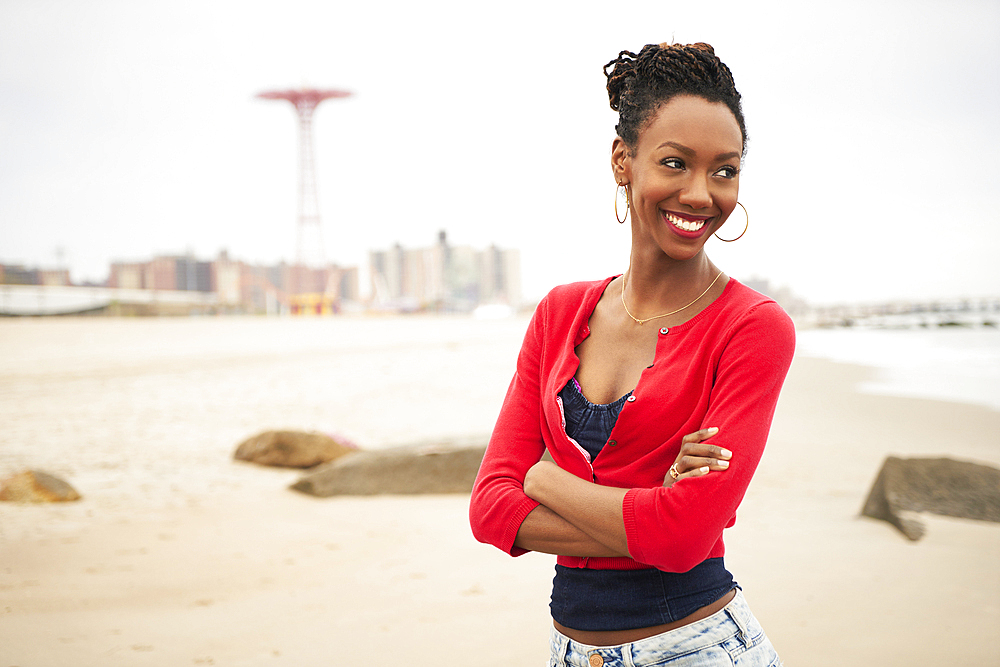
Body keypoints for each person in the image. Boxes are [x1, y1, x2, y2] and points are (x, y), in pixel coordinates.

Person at [469, 42, 795, 666]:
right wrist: (652, 513)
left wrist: (544, 481)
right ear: (623, 161)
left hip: (697, 647)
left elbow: (686, 537)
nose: (702, 194)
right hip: (569, 651)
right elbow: (489, 507)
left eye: (724, 170)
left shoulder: (751, 328)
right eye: (675, 163)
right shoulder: (560, 313)